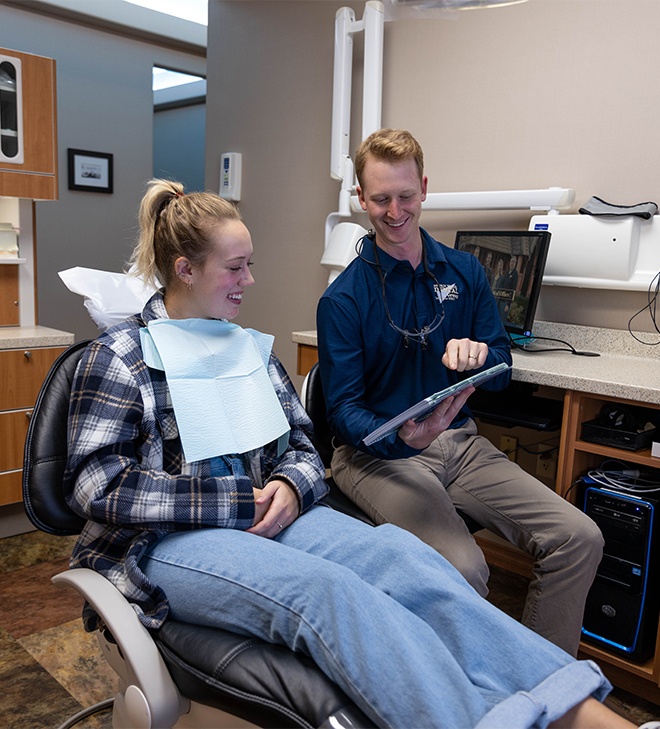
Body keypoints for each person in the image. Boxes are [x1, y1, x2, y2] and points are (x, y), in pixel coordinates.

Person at [62, 179, 641, 729]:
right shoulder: (119, 359)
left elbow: (302, 445)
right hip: (161, 544)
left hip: (273, 516)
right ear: (185, 269)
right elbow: (97, 486)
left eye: (250, 264)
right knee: (329, 594)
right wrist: (238, 501)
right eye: (236, 268)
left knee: (408, 561)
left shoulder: (246, 351)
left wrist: (289, 485)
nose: (250, 281)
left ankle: (582, 712)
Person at [316, 128, 605, 657]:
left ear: (424, 188)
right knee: (465, 568)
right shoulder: (344, 299)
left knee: (578, 537)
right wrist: (402, 437)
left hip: (460, 444)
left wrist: (480, 358)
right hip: (378, 457)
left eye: (406, 196)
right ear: (362, 199)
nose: (395, 211)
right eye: (380, 199)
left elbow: (502, 365)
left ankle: (542, 684)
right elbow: (342, 412)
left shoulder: (466, 271)